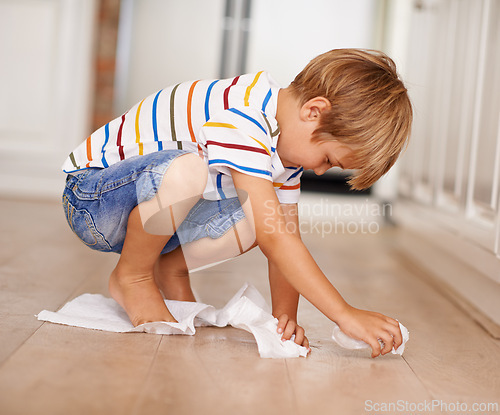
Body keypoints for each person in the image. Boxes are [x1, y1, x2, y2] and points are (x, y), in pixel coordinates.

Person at [61, 49, 412, 358]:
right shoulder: (245, 115)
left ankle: (170, 269)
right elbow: (279, 242)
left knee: (261, 221)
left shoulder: (286, 156)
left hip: (148, 218)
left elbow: (282, 235)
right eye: (328, 159)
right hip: (94, 199)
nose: (318, 170)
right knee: (187, 173)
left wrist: (283, 319)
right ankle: (133, 276)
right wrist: (343, 313)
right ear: (314, 111)